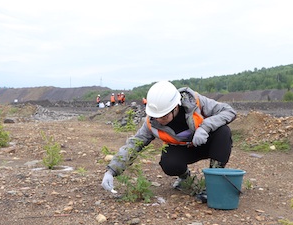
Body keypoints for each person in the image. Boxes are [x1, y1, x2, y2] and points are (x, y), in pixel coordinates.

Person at [101, 81, 236, 201]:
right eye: (156, 116)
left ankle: (213, 183)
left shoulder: (194, 101)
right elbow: (134, 144)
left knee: (223, 132)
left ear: (175, 107)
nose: (159, 120)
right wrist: (111, 170)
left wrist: (205, 127)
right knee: (169, 163)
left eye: (164, 116)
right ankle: (185, 179)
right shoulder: (151, 122)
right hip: (185, 150)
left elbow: (228, 111)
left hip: (206, 143)